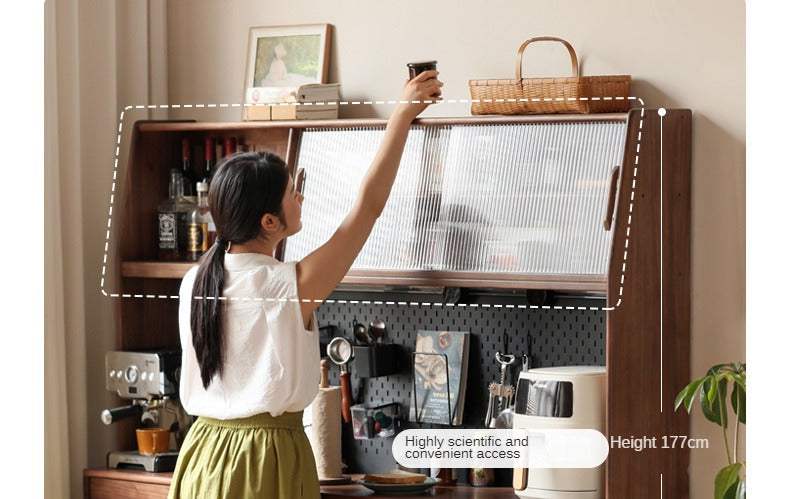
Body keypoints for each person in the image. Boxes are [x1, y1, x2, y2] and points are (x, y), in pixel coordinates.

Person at [168, 69, 443, 499]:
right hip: (265, 459)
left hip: (202, 457)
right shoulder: (289, 286)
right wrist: (402, 115)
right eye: (290, 193)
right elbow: (368, 207)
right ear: (268, 221)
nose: (300, 196)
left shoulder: (194, 280)